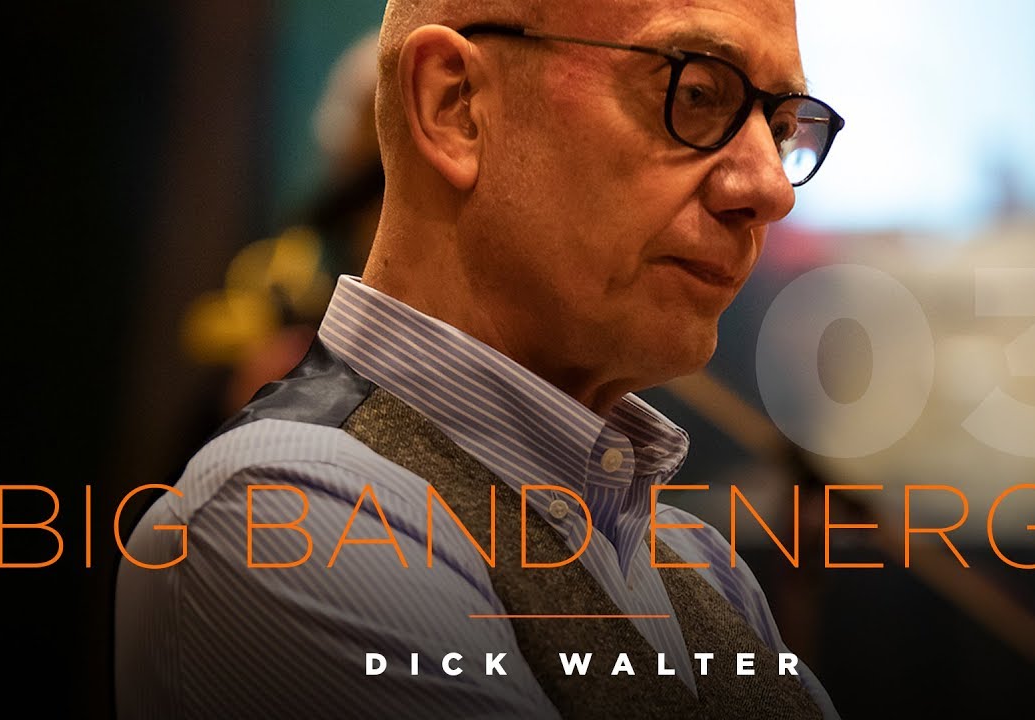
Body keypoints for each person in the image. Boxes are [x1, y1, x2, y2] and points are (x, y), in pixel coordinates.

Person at [114, 0, 844, 717]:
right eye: (697, 94)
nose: (771, 189)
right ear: (455, 105)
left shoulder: (707, 571)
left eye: (781, 128)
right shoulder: (280, 520)